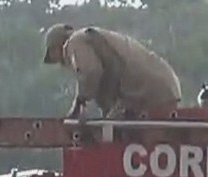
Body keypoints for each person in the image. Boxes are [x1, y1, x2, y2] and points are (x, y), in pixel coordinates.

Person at [42, 23, 182, 119]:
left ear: (56, 47)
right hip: (163, 87)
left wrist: (81, 101)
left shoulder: (74, 42)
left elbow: (91, 71)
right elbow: (107, 74)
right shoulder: (90, 38)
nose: (59, 63)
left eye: (53, 55)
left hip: (147, 93)